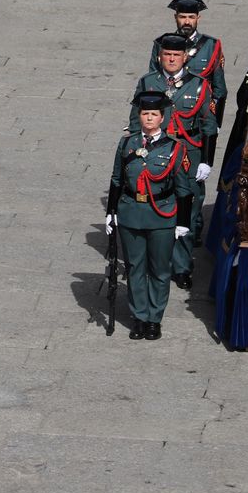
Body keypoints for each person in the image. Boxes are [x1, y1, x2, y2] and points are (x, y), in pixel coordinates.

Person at [104, 91, 194, 340]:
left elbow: (183, 188)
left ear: (162, 118)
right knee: (135, 268)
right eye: (145, 114)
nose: (149, 118)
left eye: (154, 114)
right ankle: (139, 316)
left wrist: (183, 222)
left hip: (162, 215)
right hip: (131, 213)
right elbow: (116, 179)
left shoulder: (175, 148)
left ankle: (154, 319)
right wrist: (111, 213)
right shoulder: (127, 144)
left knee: (159, 270)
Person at [134, 34, 217, 291]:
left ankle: (181, 267)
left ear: (184, 57)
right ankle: (154, 262)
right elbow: (136, 123)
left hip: (186, 155)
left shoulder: (199, 85)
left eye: (176, 55)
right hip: (156, 154)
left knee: (187, 211)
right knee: (152, 207)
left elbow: (209, 125)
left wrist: (206, 161)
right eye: (167, 55)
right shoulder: (148, 82)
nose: (171, 59)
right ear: (160, 57)